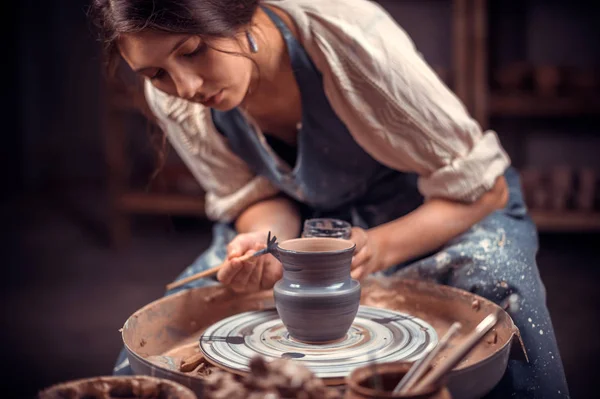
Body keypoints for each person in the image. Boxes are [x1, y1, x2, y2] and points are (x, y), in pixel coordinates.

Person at [90, 0, 569, 397]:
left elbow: (486, 188)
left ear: (238, 11)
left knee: (493, 287)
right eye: (156, 74)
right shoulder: (172, 94)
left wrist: (379, 248)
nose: (185, 87)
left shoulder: (350, 39)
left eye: (193, 51)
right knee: (174, 328)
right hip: (311, 220)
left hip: (439, 207)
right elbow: (253, 196)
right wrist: (268, 242)